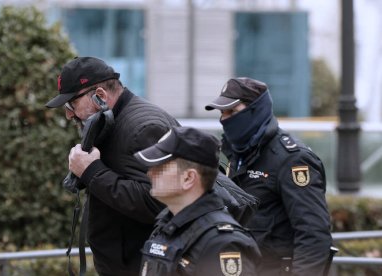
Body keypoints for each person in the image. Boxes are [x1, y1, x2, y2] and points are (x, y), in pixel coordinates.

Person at [45, 56, 179, 276]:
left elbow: (160, 203)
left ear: (100, 96)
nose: (69, 114)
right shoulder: (112, 121)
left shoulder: (143, 127)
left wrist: (92, 171)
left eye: (71, 104)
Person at [205, 77, 334, 276]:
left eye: (232, 111)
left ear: (256, 111)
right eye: (222, 113)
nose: (224, 119)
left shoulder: (292, 159)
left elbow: (314, 236)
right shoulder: (229, 154)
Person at [134, 126, 260, 276]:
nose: (150, 173)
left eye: (160, 168)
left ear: (188, 178)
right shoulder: (167, 226)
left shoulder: (222, 243)